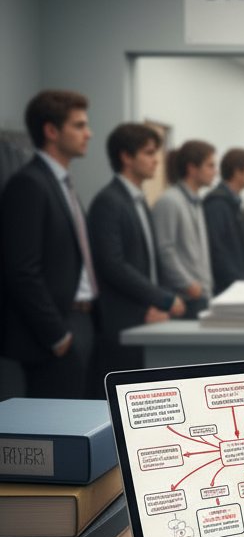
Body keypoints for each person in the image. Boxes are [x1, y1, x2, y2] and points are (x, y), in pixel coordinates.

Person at [0, 89, 97, 398]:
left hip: (81, 320)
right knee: (61, 437)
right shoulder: (29, 184)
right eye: (79, 126)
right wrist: (57, 336)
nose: (89, 134)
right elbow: (22, 269)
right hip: (54, 333)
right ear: (51, 131)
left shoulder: (62, 183)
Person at [88, 123, 184, 376]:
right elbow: (113, 265)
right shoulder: (109, 201)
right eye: (149, 153)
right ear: (126, 157)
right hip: (123, 320)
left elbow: (148, 262)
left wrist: (158, 301)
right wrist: (161, 298)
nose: (156, 160)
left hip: (148, 315)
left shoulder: (139, 200)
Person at [152, 139, 216, 318]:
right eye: (210, 166)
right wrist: (188, 284)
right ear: (192, 168)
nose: (215, 172)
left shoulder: (196, 202)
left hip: (201, 295)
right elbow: (165, 249)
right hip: (183, 298)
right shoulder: (170, 201)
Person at [204, 147, 244, 295]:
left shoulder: (234, 202)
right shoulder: (217, 204)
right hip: (226, 285)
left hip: (238, 282)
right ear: (237, 172)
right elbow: (217, 248)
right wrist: (235, 280)